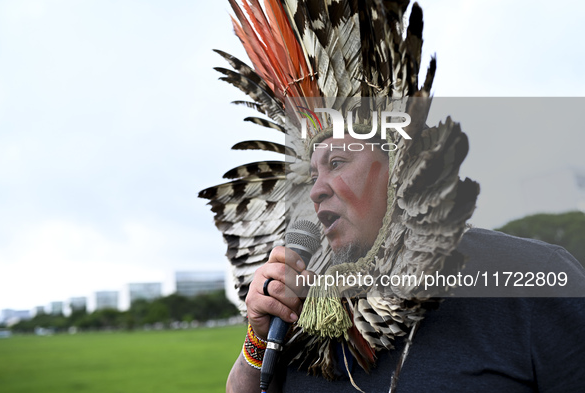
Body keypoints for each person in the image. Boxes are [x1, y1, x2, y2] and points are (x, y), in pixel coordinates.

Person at [226, 133, 585, 393]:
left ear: (398, 169)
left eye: (336, 163)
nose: (316, 190)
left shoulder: (533, 277)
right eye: (313, 176)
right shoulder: (307, 306)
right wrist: (258, 337)